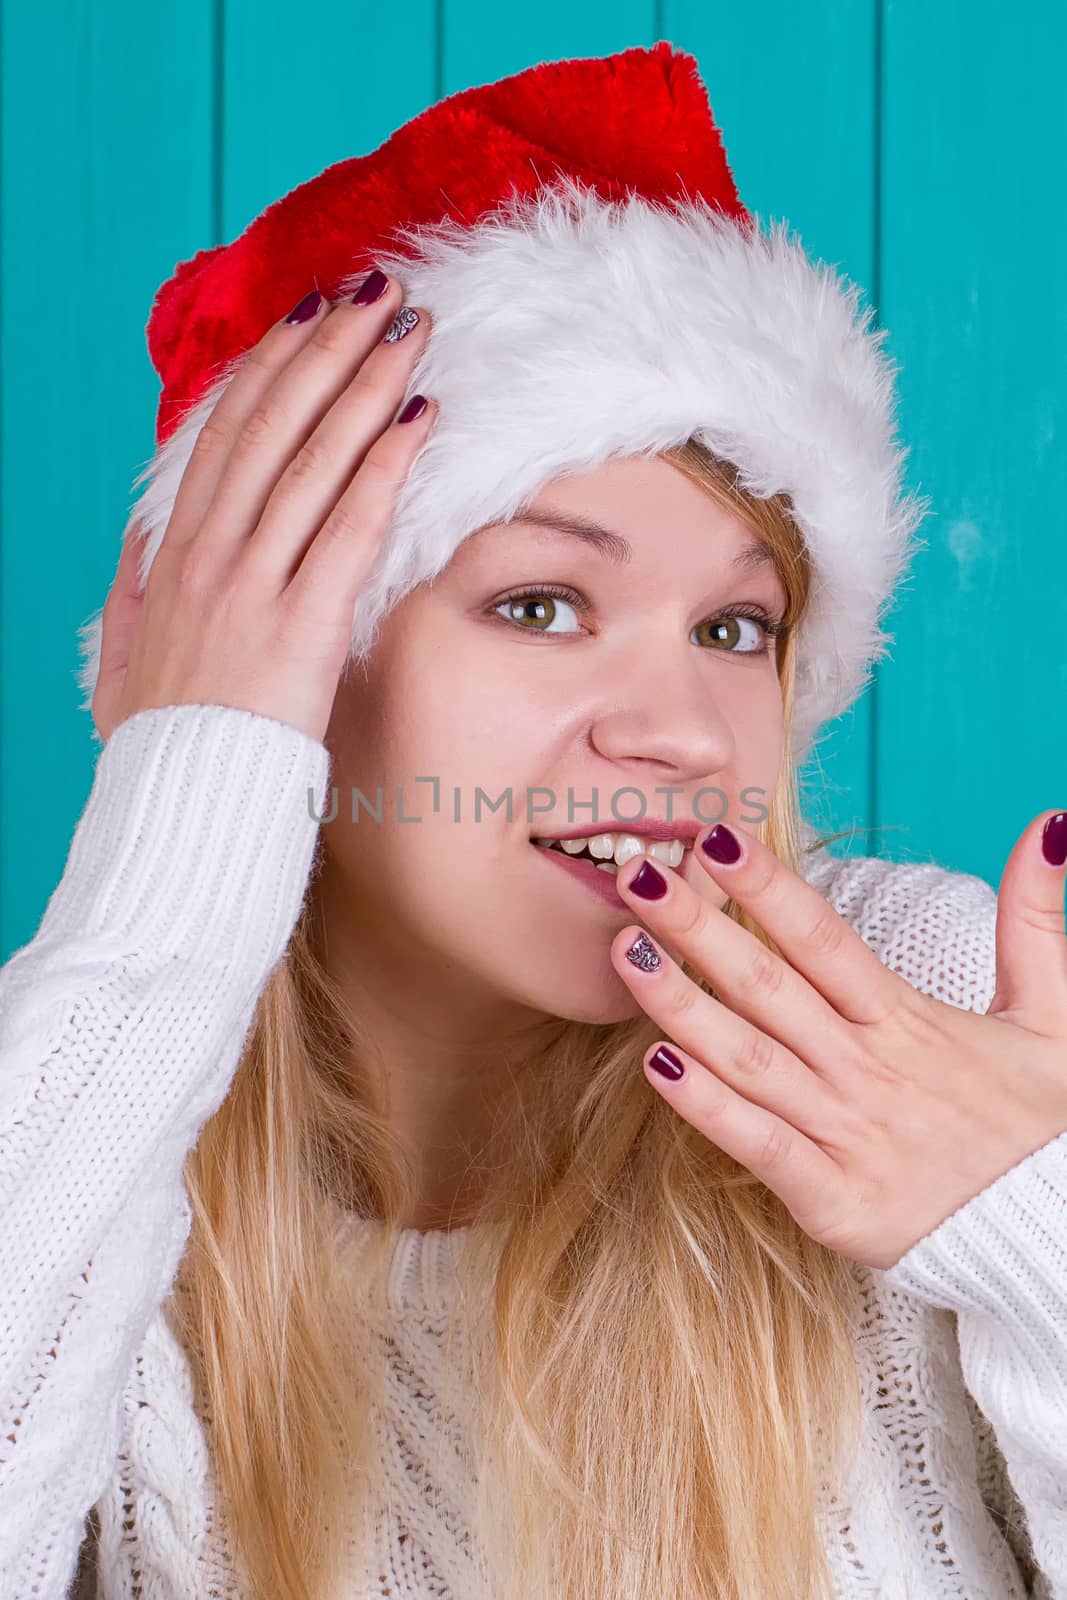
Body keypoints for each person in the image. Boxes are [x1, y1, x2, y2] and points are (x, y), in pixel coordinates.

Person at [2, 38, 1066, 1600]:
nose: (680, 730)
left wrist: (1036, 1229)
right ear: (291, 659)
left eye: (735, 629)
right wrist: (176, 834)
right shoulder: (76, 1142)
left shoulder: (919, 1001)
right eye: (544, 601)